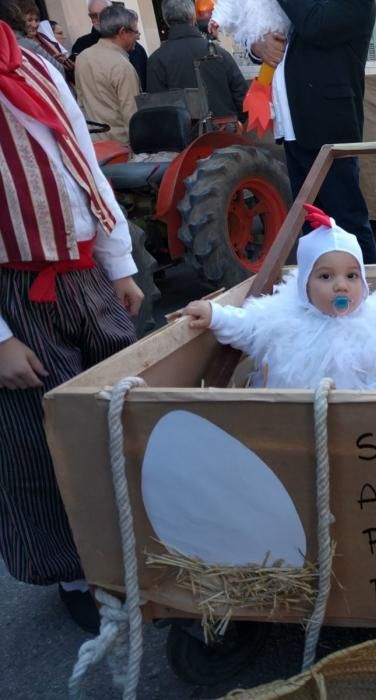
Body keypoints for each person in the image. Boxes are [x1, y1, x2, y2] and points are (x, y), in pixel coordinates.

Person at [0, 13, 143, 633]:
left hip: (83, 274)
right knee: (38, 438)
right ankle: (72, 571)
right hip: (16, 291)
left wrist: (119, 264)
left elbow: (83, 164)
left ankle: (130, 544)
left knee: (118, 409)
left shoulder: (31, 62)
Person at [184, 206, 376, 390]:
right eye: (326, 276)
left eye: (352, 276)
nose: (341, 286)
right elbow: (248, 325)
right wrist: (216, 315)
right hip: (294, 416)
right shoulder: (282, 316)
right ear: (305, 284)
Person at [250, 0, 376, 264]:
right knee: (312, 226)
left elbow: (316, 26)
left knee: (346, 223)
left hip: (329, 125)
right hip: (293, 125)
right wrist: (257, 46)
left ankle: (370, 296)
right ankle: (321, 297)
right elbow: (274, 30)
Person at [147, 0, 247, 120]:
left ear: (166, 20)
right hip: (224, 132)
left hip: (184, 135)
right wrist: (236, 123)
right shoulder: (220, 52)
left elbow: (157, 110)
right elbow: (242, 95)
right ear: (193, 17)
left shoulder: (156, 60)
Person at [74, 5, 141, 146]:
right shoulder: (122, 66)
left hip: (94, 146)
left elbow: (81, 103)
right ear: (122, 32)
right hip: (121, 147)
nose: (138, 35)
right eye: (135, 31)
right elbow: (132, 117)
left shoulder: (83, 57)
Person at [71, 0, 147, 90]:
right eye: (93, 16)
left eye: (103, 14)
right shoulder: (82, 45)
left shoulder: (135, 47)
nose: (98, 19)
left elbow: (144, 81)